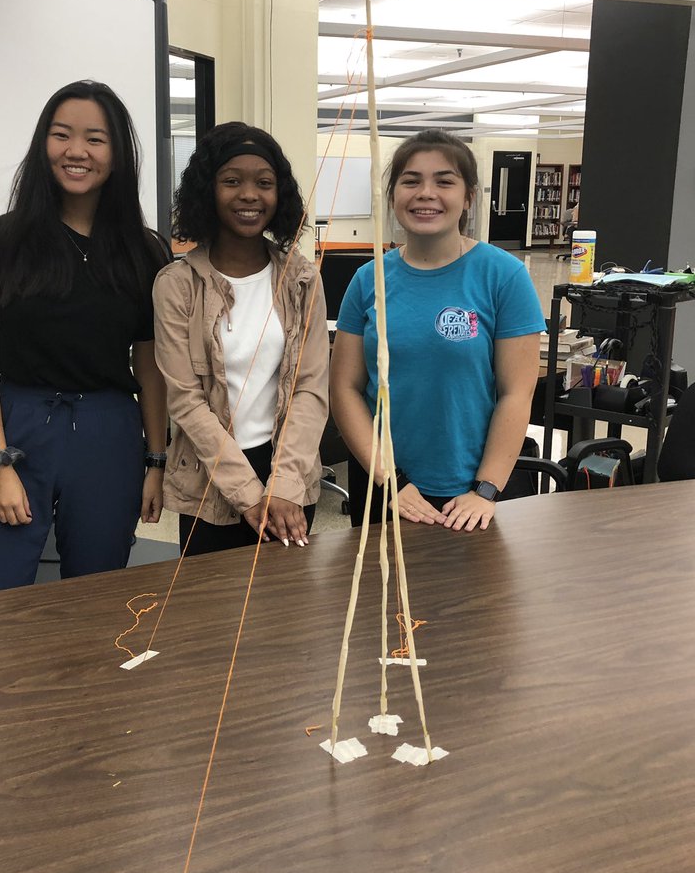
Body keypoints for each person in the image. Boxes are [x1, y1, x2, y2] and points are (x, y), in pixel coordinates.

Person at [0, 79, 169, 594]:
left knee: (95, 597)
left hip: (109, 430)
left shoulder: (145, 251)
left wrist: (156, 461)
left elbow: (150, 365)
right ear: (42, 144)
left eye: (95, 139)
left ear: (117, 154)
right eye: (61, 135)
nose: (77, 151)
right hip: (18, 429)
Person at [331, 129, 545, 533]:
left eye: (444, 181)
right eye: (410, 181)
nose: (425, 193)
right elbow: (344, 388)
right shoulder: (367, 280)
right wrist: (389, 478)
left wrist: (485, 489)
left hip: (474, 493)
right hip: (387, 486)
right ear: (393, 194)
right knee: (381, 594)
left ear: (468, 197)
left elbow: (517, 393)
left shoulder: (503, 276)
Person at [153, 122, 329, 555]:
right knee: (212, 613)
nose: (249, 195)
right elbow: (185, 401)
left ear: (279, 195)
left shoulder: (302, 279)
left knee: (286, 612)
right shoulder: (177, 284)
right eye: (232, 181)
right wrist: (249, 492)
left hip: (286, 472)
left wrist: (284, 484)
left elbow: (310, 387)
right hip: (210, 478)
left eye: (264, 183)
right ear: (207, 191)